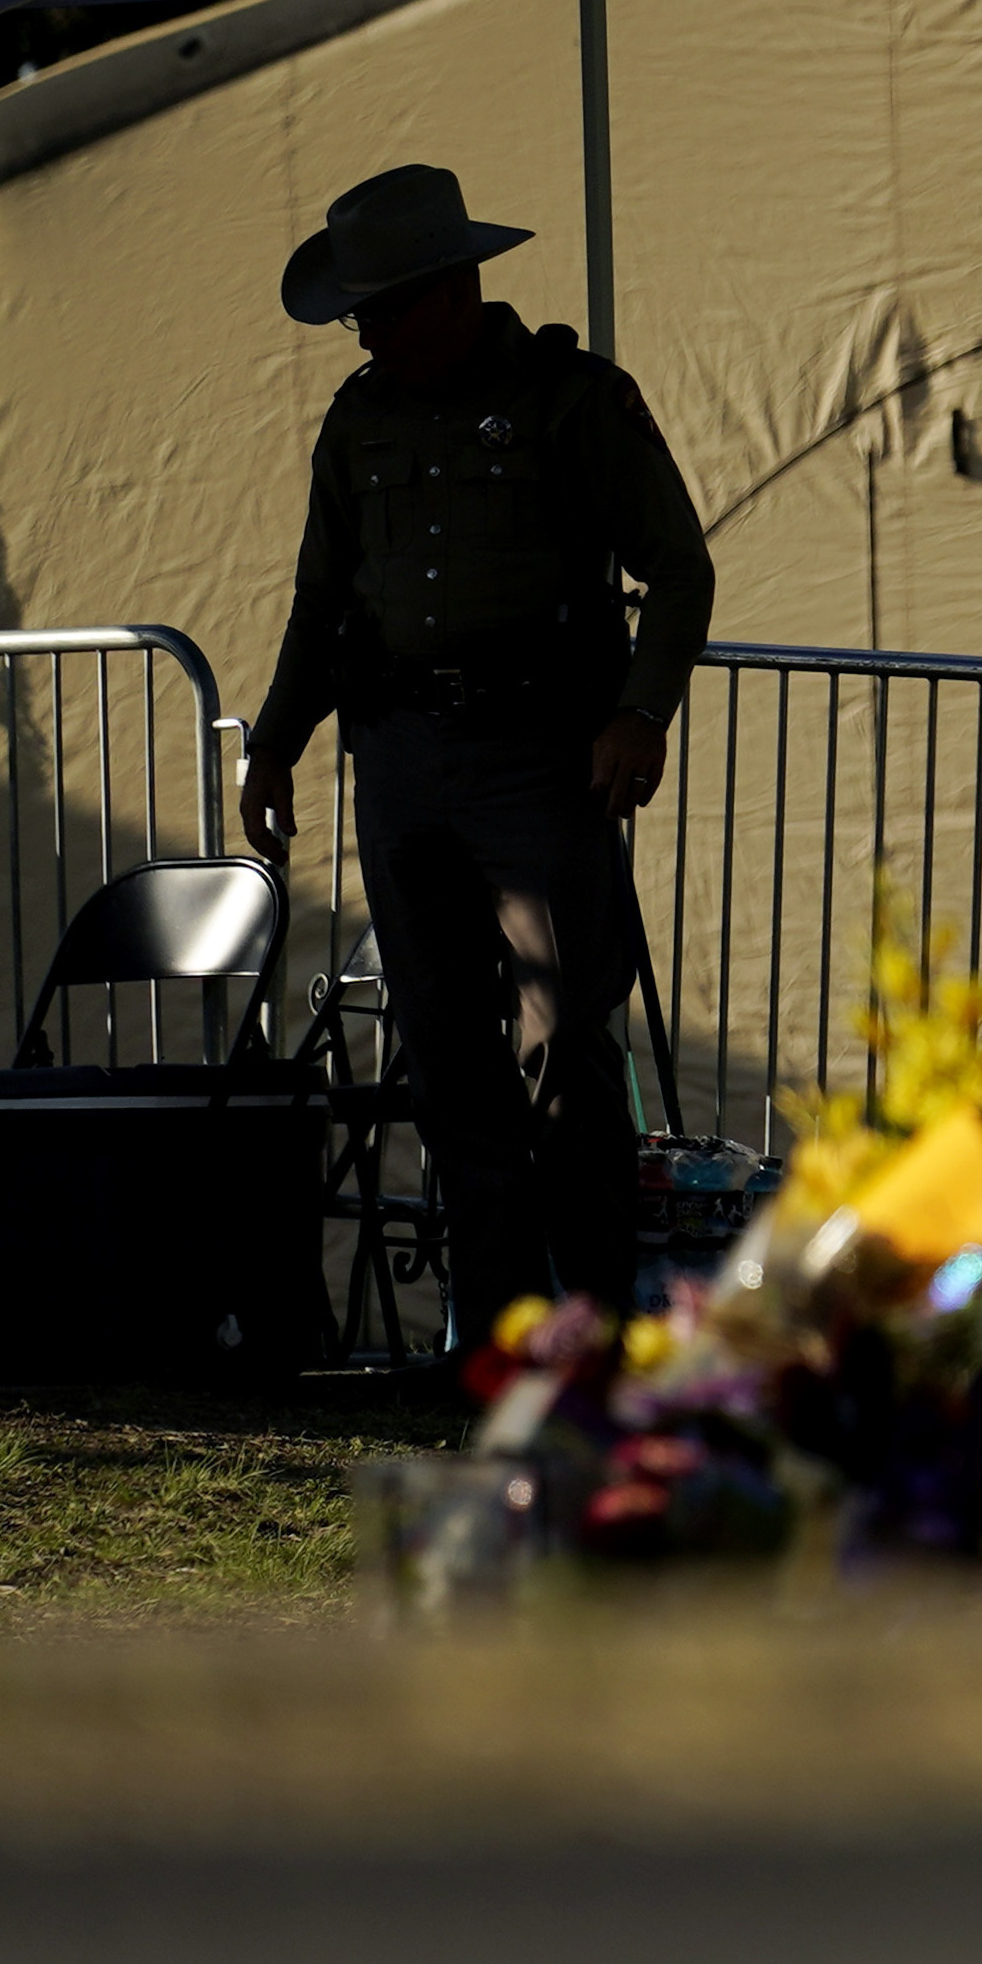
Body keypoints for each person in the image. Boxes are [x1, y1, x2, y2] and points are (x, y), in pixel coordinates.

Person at [238, 163, 715, 1338]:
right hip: (402, 763)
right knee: (450, 1063)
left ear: (455, 289)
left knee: (563, 1053)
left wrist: (639, 713)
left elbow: (681, 568)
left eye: (387, 308)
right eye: (362, 315)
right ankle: (495, 1344)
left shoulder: (572, 403)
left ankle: (595, 1334)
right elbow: (319, 603)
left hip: (540, 760)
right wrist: (275, 744)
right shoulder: (358, 422)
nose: (371, 333)